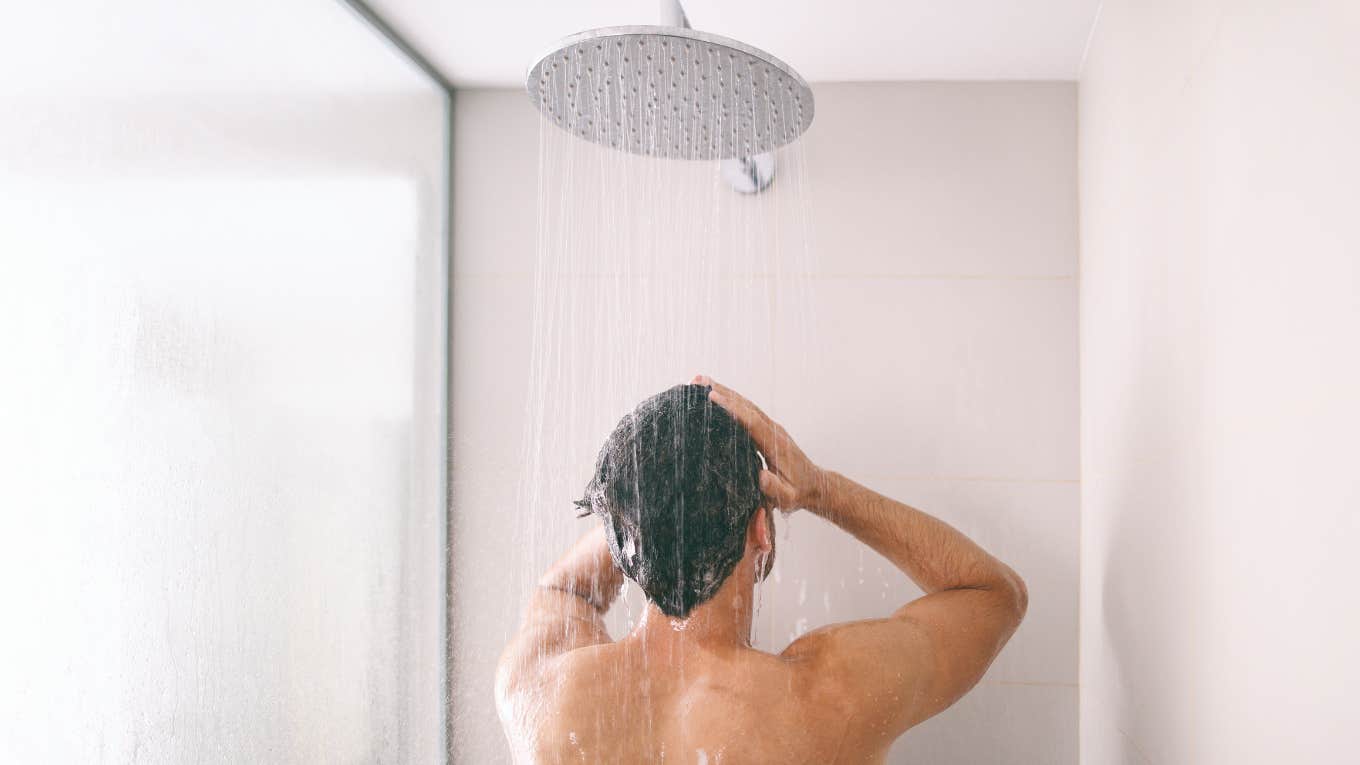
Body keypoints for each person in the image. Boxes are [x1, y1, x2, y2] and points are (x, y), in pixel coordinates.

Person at [496, 376, 1027, 763]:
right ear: (761, 529)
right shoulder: (826, 698)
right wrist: (818, 489)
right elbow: (991, 594)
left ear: (619, 539)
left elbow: (564, 588)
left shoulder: (540, 692)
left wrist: (648, 508)